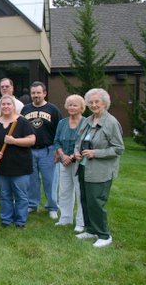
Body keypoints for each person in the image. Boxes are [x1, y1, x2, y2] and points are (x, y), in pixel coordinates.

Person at [74, 88, 124, 248]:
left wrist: (95, 153)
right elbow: (78, 141)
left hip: (100, 171)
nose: (94, 105)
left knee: (96, 202)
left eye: (97, 102)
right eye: (91, 102)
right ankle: (91, 229)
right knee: (86, 200)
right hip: (83, 168)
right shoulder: (88, 120)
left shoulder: (111, 122)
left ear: (105, 103)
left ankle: (104, 235)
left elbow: (118, 149)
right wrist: (76, 152)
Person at [0, 95, 36, 228]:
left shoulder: (22, 122)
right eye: (3, 104)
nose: (6, 106)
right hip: (0, 166)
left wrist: (14, 141)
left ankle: (20, 221)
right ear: (0, 107)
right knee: (4, 194)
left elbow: (31, 140)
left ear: (13, 106)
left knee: (21, 195)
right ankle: (6, 219)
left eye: (8, 104)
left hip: (20, 166)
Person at [21, 81, 62, 219]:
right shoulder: (25, 110)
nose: (36, 95)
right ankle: (32, 204)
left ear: (44, 93)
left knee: (50, 180)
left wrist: (58, 149)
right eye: (33, 93)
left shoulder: (53, 109)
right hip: (30, 150)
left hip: (48, 150)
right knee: (32, 180)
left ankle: (52, 207)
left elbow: (59, 130)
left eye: (38, 92)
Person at [53, 94, 86, 232]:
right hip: (63, 161)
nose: (72, 107)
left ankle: (81, 222)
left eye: (75, 105)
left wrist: (71, 157)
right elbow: (56, 141)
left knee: (80, 192)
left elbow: (85, 143)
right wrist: (63, 155)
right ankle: (65, 218)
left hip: (79, 162)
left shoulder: (86, 123)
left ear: (81, 107)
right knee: (65, 191)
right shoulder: (62, 123)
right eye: (70, 105)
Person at [0, 78, 25, 200]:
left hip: (13, 144)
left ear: (12, 87)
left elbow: (22, 124)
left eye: (7, 86)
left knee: (13, 171)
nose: (4, 88)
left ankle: (15, 194)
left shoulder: (19, 105)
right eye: (2, 87)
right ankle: (1, 192)